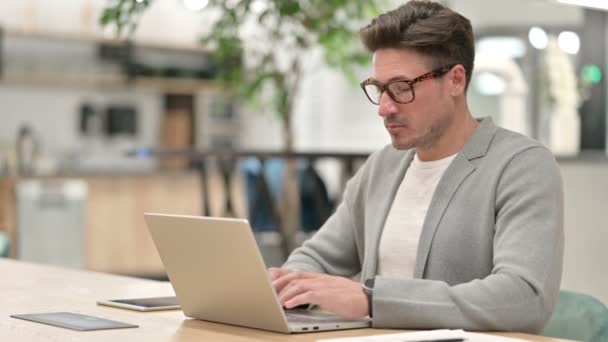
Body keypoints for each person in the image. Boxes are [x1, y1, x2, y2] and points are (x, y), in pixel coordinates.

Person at [268, 0, 564, 334]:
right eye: (379, 89)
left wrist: (371, 300)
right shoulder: (383, 165)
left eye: (400, 88)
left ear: (455, 80)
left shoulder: (522, 166)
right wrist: (287, 286)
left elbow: (523, 297)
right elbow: (317, 258)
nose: (384, 108)